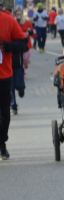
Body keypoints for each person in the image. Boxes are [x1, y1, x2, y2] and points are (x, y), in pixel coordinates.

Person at [0, 9, 29, 160]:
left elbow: (23, 43)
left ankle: (2, 143)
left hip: (3, 75)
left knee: (4, 113)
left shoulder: (8, 20)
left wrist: (11, 47)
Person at [10, 9, 31, 116]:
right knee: (10, 87)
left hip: (18, 64)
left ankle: (22, 89)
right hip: (7, 66)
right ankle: (13, 106)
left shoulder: (18, 36)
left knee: (19, 85)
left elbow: (25, 46)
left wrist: (15, 46)